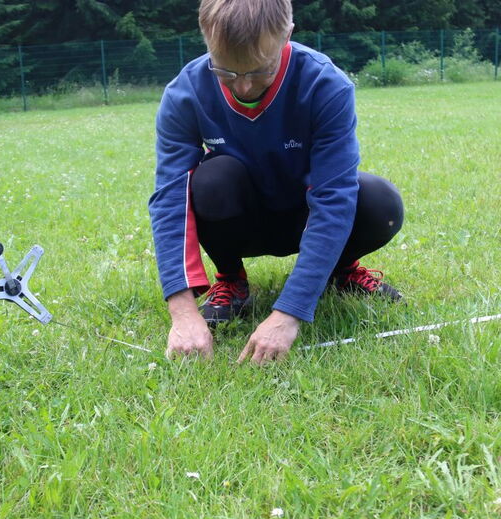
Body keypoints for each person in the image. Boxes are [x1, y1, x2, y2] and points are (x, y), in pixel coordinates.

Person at [149, 0, 404, 366]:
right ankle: (231, 280)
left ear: (287, 35)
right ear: (206, 40)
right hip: (244, 222)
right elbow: (171, 199)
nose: (244, 85)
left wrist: (289, 313)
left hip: (305, 216)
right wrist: (182, 311)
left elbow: (334, 198)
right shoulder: (185, 92)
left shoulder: (325, 85)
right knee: (212, 181)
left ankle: (341, 269)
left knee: (380, 203)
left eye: (261, 70)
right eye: (225, 70)